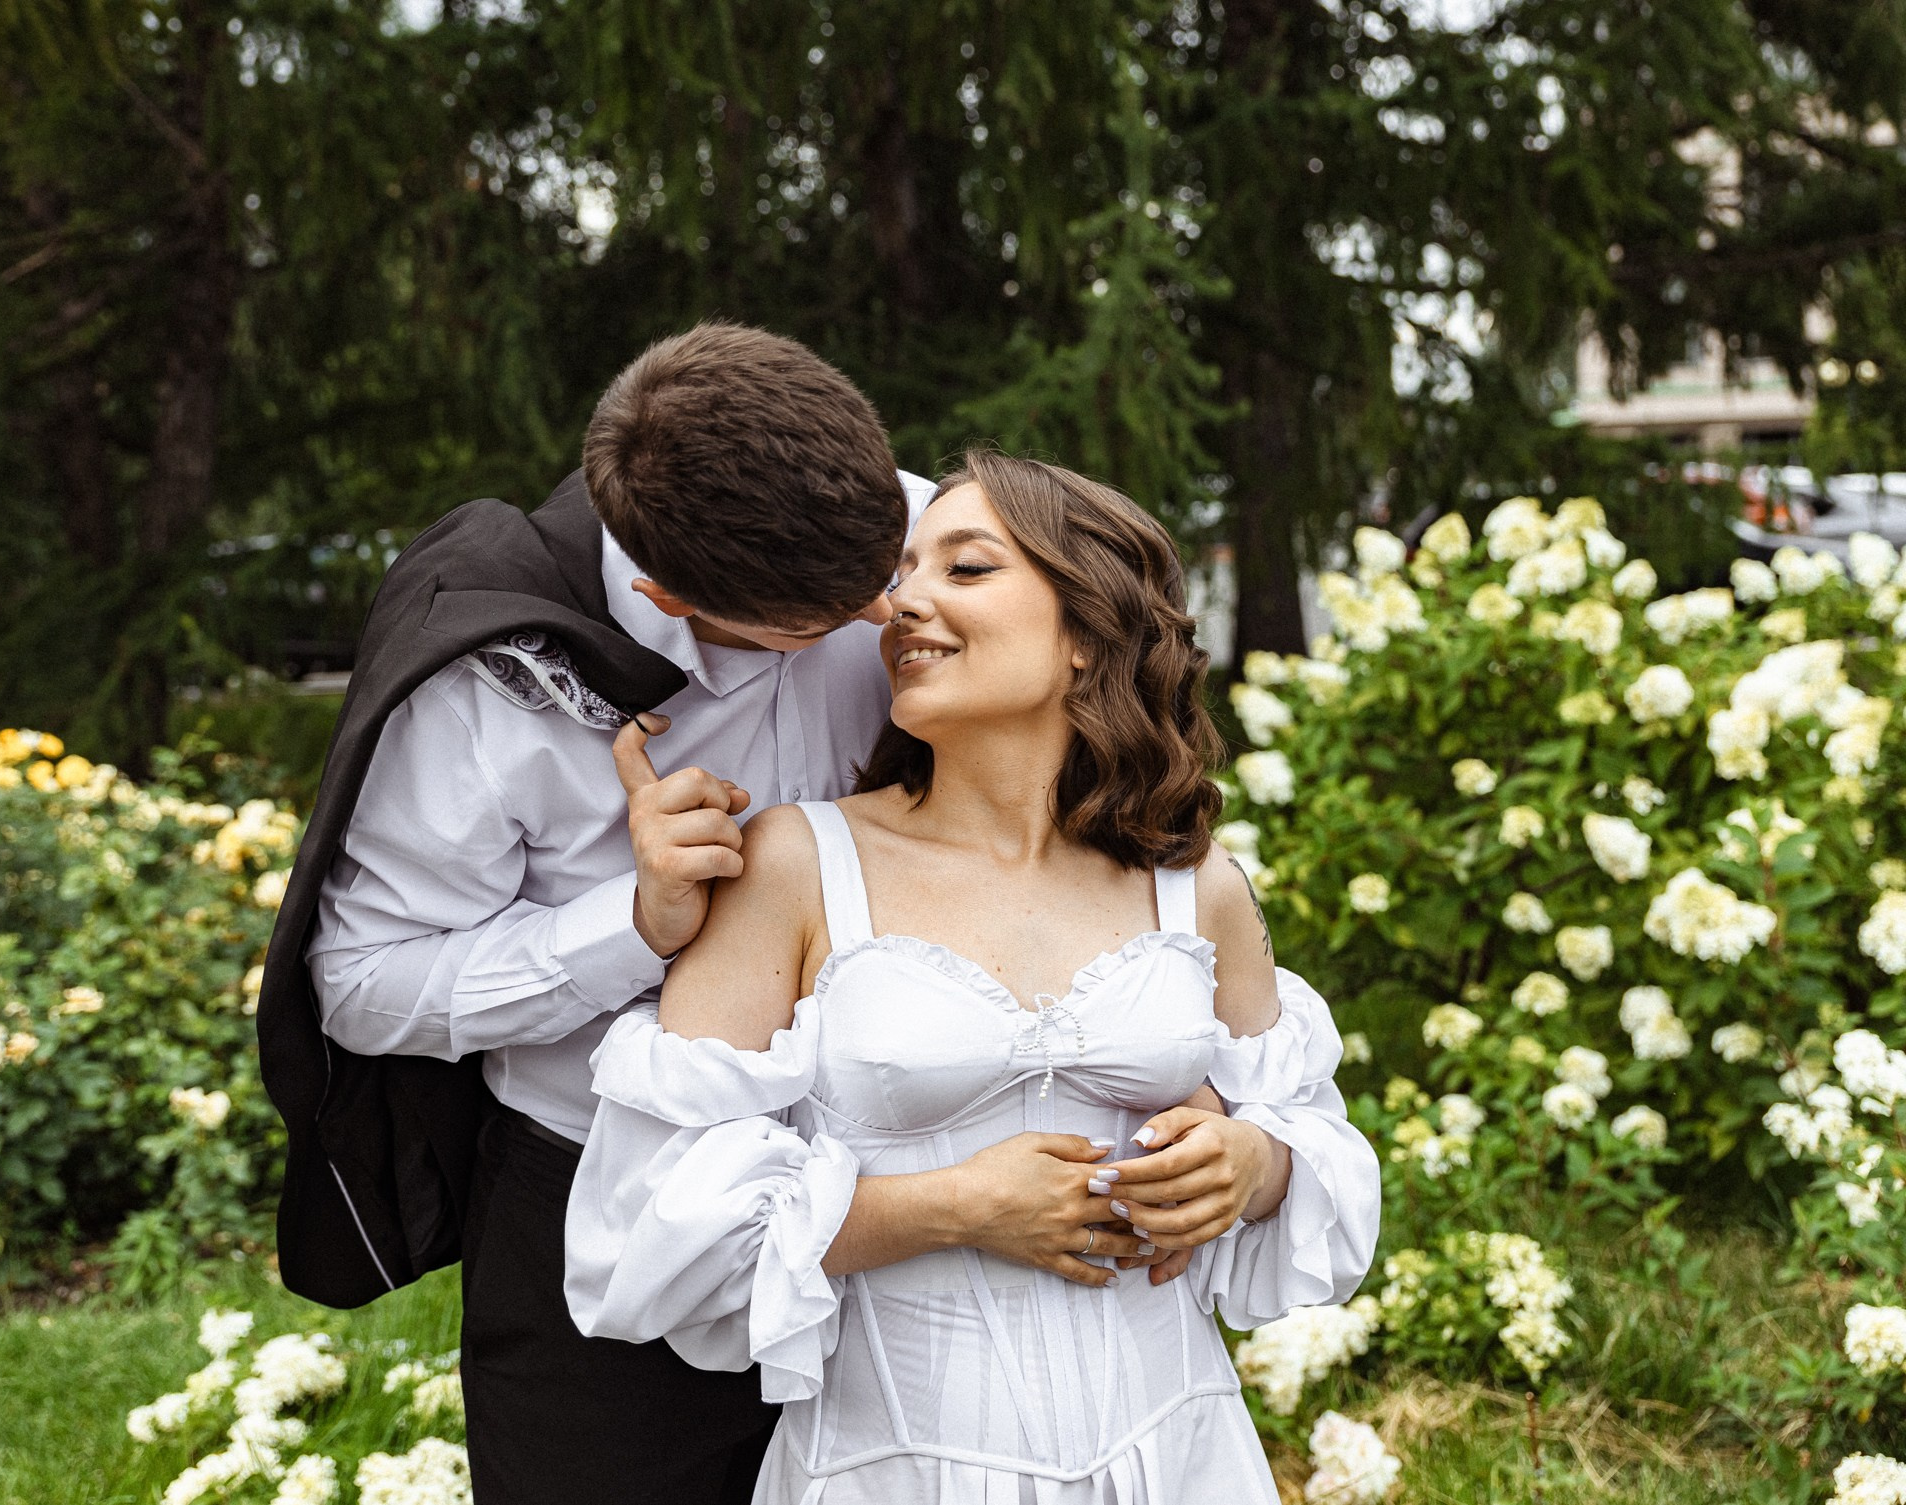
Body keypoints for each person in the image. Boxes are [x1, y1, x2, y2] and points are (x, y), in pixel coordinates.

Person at [289, 327, 1263, 1505]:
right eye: (845, 611)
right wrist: (631, 924)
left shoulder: (906, 537)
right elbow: (361, 981)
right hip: (625, 1190)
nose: (893, 613)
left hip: (927, 1220)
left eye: (907, 566)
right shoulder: (488, 686)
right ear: (669, 597)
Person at [565, 451, 1381, 1503]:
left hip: (1177, 1455)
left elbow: (1311, 1139)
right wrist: (955, 1204)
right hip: (891, 1469)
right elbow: (652, 1221)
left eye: (965, 568)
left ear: (1085, 634)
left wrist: (1249, 1164)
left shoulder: (1193, 883)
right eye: (905, 571)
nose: (902, 601)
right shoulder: (793, 863)